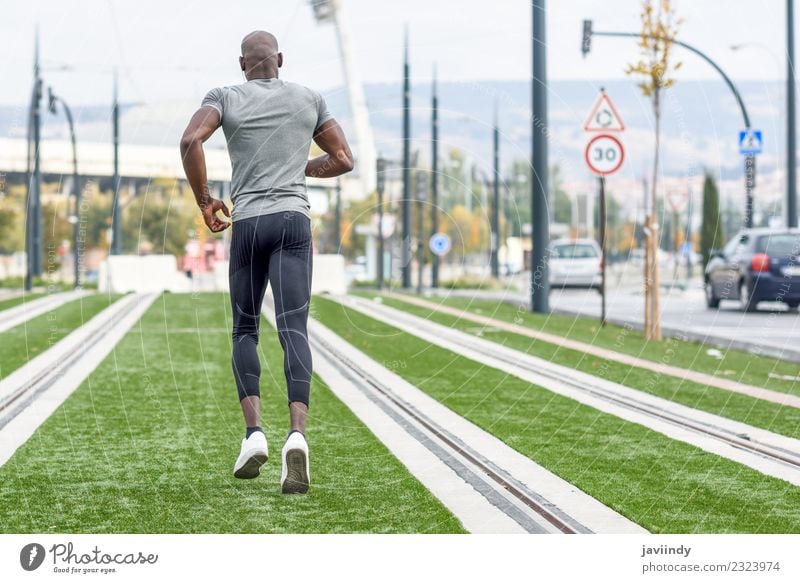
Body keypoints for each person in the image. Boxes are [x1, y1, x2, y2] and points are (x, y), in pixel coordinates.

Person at [180, 30, 354, 494]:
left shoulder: (225, 96)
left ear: (242, 64)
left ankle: (254, 433)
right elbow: (342, 158)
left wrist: (204, 201)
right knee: (294, 329)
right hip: (294, 222)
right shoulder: (309, 98)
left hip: (250, 224)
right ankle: (297, 435)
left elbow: (189, 141)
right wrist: (299, 168)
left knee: (244, 328)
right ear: (280, 58)